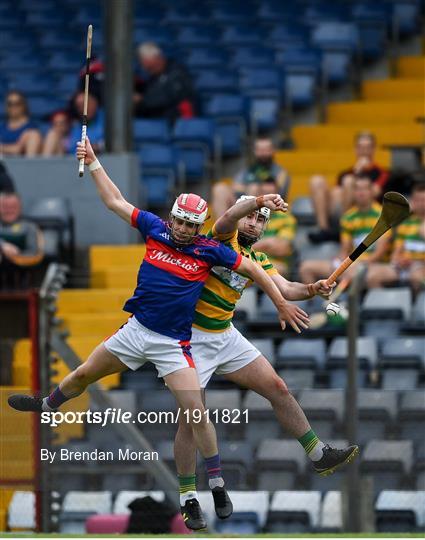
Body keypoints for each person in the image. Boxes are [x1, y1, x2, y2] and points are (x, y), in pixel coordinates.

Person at [9, 138, 303, 531]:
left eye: (190, 225)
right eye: (179, 221)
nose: (183, 229)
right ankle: (48, 404)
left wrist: (281, 301)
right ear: (172, 218)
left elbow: (254, 270)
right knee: (81, 375)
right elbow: (114, 202)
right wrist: (94, 162)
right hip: (135, 331)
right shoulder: (154, 228)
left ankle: (212, 486)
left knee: (196, 413)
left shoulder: (209, 249)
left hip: (172, 344)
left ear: (199, 227)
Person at [174, 195, 359, 514]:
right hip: (192, 339)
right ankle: (188, 495)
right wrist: (258, 201)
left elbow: (286, 289)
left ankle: (319, 455)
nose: (253, 223)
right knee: (191, 419)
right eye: (251, 216)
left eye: (261, 220)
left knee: (278, 388)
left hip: (225, 335)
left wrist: (313, 289)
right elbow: (230, 216)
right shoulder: (220, 238)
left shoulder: (257, 259)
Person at [300, 175, 391, 286]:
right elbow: (345, 249)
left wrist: (360, 263)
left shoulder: (383, 215)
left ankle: (349, 302)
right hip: (352, 264)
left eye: (364, 189)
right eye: (357, 189)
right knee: (306, 268)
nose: (360, 192)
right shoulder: (348, 217)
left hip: (375, 265)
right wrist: (339, 260)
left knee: (353, 273)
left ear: (372, 192)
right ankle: (319, 302)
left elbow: (380, 253)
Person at [309, 131, 389, 243]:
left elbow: (374, 193)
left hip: (364, 214)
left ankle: (344, 229)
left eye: (368, 147)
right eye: (361, 147)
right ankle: (323, 229)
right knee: (317, 181)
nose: (364, 151)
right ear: (355, 149)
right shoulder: (345, 173)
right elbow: (336, 195)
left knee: (348, 181)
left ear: (373, 149)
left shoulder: (382, 172)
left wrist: (358, 172)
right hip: (340, 210)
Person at [367, 182, 425, 291]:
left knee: (417, 277)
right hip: (404, 267)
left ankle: (417, 307)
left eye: (423, 200)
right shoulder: (405, 224)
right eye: (417, 200)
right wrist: (398, 260)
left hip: (420, 267)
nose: (421, 203)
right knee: (372, 276)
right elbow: (396, 252)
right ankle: (384, 306)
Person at [212, 138, 290, 218]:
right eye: (260, 150)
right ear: (255, 151)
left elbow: (277, 191)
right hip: (241, 204)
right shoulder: (248, 170)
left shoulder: (280, 172)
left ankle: (249, 225)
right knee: (219, 188)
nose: (263, 153)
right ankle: (222, 227)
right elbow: (235, 187)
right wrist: (249, 188)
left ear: (273, 150)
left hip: (269, 208)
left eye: (266, 149)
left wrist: (254, 188)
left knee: (254, 188)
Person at [134, 42, 195, 122]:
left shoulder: (177, 73)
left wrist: (142, 100)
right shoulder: (153, 77)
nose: (146, 68)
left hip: (177, 124)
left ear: (157, 58)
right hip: (156, 123)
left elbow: (167, 97)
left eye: (149, 65)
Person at [0, 192, 44, 289]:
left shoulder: (29, 227)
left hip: (19, 272)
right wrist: (3, 246)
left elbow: (33, 253)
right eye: (5, 206)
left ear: (20, 207)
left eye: (13, 206)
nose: (9, 210)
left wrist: (14, 255)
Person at [252, 179, 297, 276]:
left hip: (276, 264)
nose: (267, 200)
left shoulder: (286, 218)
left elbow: (282, 248)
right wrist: (269, 243)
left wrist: (251, 246)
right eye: (264, 195)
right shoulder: (250, 216)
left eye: (271, 195)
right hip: (250, 261)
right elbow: (236, 246)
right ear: (258, 195)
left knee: (275, 270)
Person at [0, 91, 42, 157]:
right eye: (10, 104)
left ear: (24, 105)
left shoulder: (31, 128)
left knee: (34, 136)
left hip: (22, 165)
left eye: (17, 103)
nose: (13, 107)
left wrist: (3, 148)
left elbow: (18, 149)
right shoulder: (1, 128)